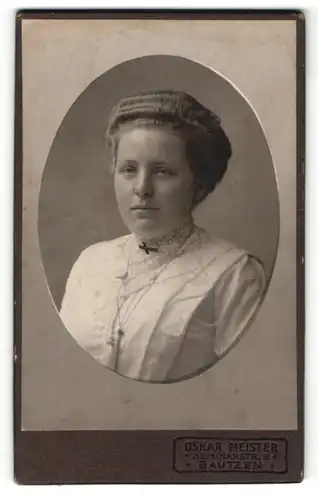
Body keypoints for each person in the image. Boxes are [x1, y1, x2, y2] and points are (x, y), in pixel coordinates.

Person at [59, 90, 265, 383]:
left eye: (163, 172)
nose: (142, 188)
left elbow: (242, 391)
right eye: (129, 169)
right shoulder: (89, 262)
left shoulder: (233, 274)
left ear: (199, 184)